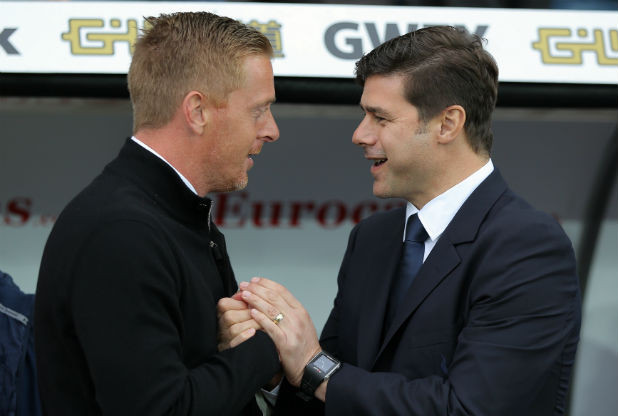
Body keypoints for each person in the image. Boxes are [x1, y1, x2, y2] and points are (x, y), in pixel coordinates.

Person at [218, 25, 581, 415]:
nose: (360, 135)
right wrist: (279, 369)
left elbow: (469, 408)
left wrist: (313, 364)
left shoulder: (527, 246)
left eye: (380, 118)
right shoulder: (373, 238)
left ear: (448, 124)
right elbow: (334, 393)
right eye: (364, 115)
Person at [34, 12, 281, 415]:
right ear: (197, 111)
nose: (271, 129)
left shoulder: (167, 215)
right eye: (258, 110)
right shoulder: (122, 233)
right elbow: (161, 408)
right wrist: (267, 347)